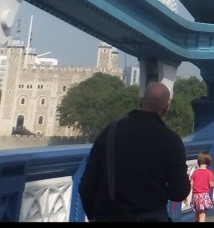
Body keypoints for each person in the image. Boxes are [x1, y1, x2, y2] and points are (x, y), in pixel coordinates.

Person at [78, 81, 190, 222]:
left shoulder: (110, 132)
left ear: (140, 101)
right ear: (166, 108)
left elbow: (86, 186)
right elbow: (179, 193)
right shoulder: (172, 141)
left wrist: (96, 216)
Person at [188, 150, 214, 223]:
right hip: (203, 196)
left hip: (195, 196)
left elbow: (191, 184)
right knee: (202, 215)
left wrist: (186, 197)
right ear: (208, 161)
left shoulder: (195, 172)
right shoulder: (209, 172)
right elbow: (211, 184)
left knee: (197, 215)